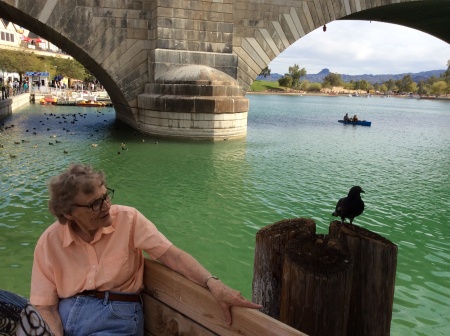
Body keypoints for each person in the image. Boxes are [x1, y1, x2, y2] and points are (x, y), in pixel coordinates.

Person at [30, 163, 262, 335]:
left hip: (116, 315)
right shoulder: (49, 242)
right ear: (68, 213)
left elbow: (173, 256)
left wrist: (214, 283)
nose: (107, 206)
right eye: (94, 204)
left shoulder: (129, 220)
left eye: (106, 196)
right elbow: (45, 306)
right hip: (65, 315)